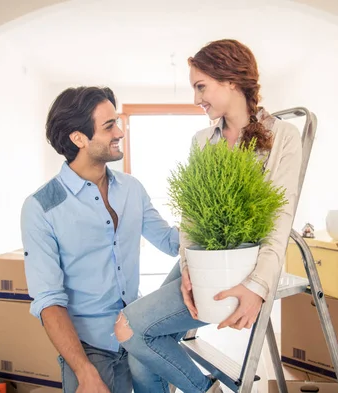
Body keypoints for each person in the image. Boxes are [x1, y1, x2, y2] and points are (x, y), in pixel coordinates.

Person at [114, 39, 303, 393]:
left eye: (201, 86)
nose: (195, 98)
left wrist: (258, 286)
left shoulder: (283, 138)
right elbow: (191, 218)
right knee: (140, 351)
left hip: (241, 265)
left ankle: (205, 390)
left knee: (130, 329)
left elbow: (280, 220)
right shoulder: (202, 140)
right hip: (199, 257)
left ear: (231, 80)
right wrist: (187, 267)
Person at [20, 86, 180, 393]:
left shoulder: (132, 189)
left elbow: (171, 242)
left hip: (138, 338)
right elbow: (49, 301)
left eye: (117, 122)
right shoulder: (42, 206)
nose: (120, 132)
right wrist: (84, 372)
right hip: (90, 351)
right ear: (78, 138)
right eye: (109, 126)